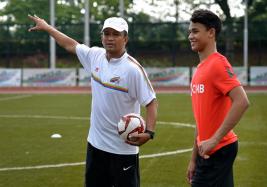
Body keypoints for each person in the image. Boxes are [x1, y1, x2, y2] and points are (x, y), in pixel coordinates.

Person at [28, 15, 157, 187]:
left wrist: (149, 133)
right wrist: (46, 27)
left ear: (125, 38)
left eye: (116, 34)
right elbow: (70, 44)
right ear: (101, 36)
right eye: (107, 33)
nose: (110, 38)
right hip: (95, 146)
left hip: (123, 149)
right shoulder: (95, 56)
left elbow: (151, 102)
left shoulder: (133, 70)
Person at [186, 9, 250, 187]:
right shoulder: (200, 68)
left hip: (218, 149)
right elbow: (201, 120)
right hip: (206, 151)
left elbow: (242, 101)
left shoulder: (218, 64)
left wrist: (214, 140)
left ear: (211, 32)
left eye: (195, 31)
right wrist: (194, 159)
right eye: (190, 31)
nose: (190, 36)